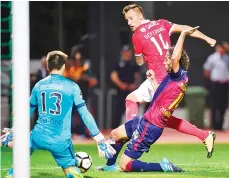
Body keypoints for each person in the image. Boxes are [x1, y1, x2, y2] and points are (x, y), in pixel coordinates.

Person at [99, 26, 204, 173]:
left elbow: (175, 57)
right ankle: (109, 166)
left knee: (125, 165)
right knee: (116, 134)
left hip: (150, 126)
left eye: (167, 59)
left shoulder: (178, 76)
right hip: (147, 120)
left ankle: (162, 167)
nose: (165, 62)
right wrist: (154, 80)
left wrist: (183, 35)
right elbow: (158, 97)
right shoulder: (171, 79)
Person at [121, 3, 216, 160]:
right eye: (127, 20)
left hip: (157, 80)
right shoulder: (162, 23)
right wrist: (207, 38)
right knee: (164, 118)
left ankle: (132, 130)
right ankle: (205, 136)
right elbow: (186, 28)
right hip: (172, 80)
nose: (130, 22)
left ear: (140, 15)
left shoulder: (137, 35)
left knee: (131, 99)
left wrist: (143, 55)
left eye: (131, 18)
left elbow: (139, 62)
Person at [1, 50, 115, 178]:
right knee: (72, 173)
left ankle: (12, 166)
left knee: (19, 164)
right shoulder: (72, 87)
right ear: (64, 66)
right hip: (60, 140)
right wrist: (99, 139)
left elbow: (26, 112)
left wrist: (13, 130)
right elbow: (85, 114)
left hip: (38, 136)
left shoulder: (39, 85)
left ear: (48, 66)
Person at [203, 44, 229, 130]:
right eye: (220, 48)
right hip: (215, 83)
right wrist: (209, 83)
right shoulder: (212, 58)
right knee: (214, 105)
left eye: (223, 48)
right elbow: (207, 71)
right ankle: (214, 125)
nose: (221, 50)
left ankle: (220, 126)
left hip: (225, 84)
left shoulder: (227, 58)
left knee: (223, 105)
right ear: (217, 48)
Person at [111, 45, 140, 128]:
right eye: (125, 52)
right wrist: (121, 85)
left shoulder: (133, 63)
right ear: (122, 53)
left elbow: (136, 76)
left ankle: (132, 127)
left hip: (130, 90)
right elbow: (113, 76)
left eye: (128, 51)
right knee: (118, 110)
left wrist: (134, 85)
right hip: (121, 91)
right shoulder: (118, 63)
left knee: (132, 110)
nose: (127, 53)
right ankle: (114, 128)